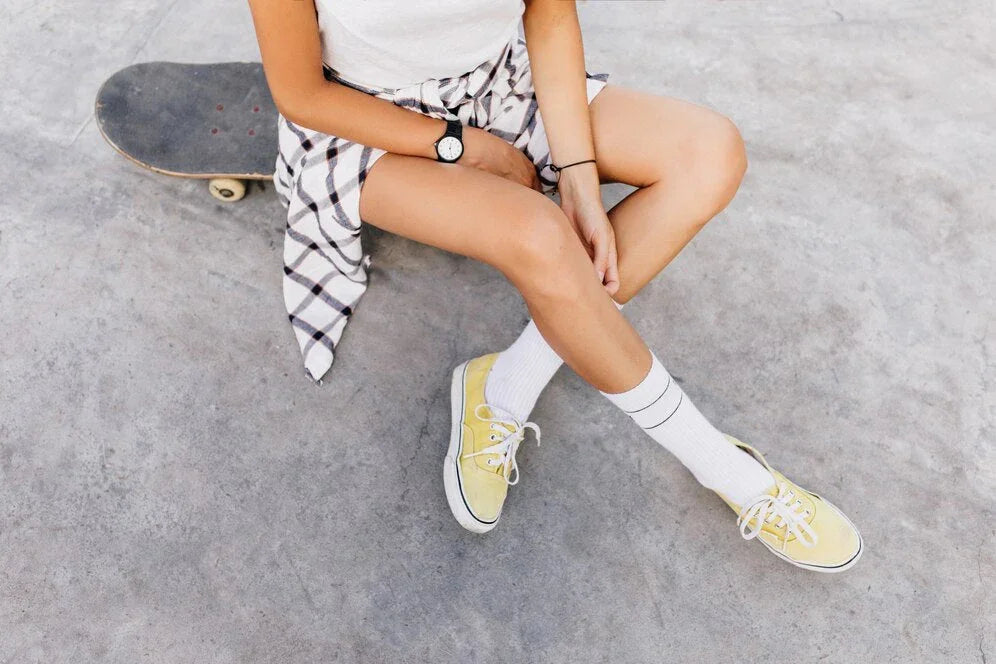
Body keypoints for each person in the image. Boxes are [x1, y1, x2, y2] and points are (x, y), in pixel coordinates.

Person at [248, 0, 862, 572]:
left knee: (710, 152)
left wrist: (578, 175)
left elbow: (549, 16)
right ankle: (729, 472)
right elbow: (303, 93)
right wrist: (461, 147)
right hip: (363, 125)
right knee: (541, 238)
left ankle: (506, 381)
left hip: (495, 82)